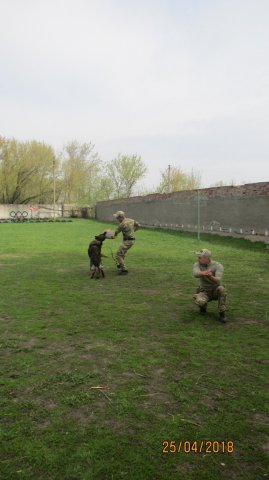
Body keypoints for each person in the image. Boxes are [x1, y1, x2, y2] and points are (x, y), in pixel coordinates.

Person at [193, 248, 227, 323]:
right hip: (204, 291)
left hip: (215, 290)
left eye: (200, 257)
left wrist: (210, 276)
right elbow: (195, 274)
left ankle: (222, 313)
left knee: (222, 289)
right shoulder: (197, 264)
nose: (198, 259)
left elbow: (218, 280)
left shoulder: (218, 265)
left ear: (206, 258)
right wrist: (204, 273)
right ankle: (203, 307)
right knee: (199, 301)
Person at [112, 211, 141, 275]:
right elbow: (139, 225)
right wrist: (133, 231)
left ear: (120, 217)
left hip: (127, 241)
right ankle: (121, 264)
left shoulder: (122, 224)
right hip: (132, 240)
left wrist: (107, 235)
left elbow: (115, 234)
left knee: (118, 254)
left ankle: (124, 270)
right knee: (122, 253)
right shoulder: (131, 220)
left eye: (117, 218)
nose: (116, 219)